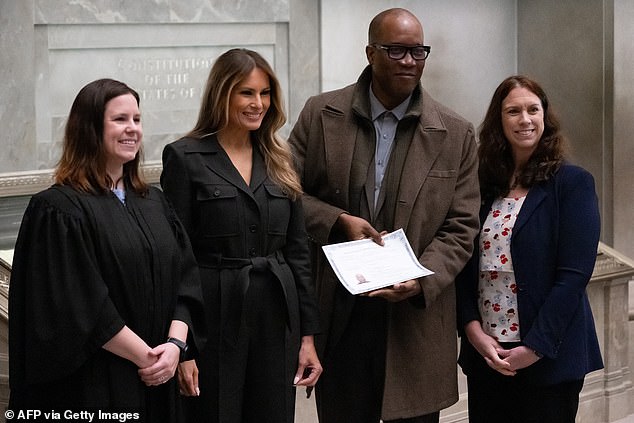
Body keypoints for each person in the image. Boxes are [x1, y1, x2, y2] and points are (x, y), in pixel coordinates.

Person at [288, 8, 480, 423]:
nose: (410, 61)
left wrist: (420, 276)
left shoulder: (456, 132)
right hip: (339, 313)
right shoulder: (321, 114)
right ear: (370, 52)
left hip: (413, 317)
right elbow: (284, 194)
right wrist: (337, 219)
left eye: (418, 52)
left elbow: (462, 226)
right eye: (397, 51)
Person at [8, 78, 206, 421]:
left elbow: (185, 281)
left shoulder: (154, 202)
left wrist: (175, 347)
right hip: (97, 387)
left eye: (137, 119)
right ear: (89, 128)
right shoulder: (58, 210)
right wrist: (147, 358)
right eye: (120, 119)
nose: (132, 129)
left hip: (160, 377)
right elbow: (79, 305)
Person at [161, 48, 322, 423]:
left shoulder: (282, 159)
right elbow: (176, 259)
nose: (259, 103)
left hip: (277, 317)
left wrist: (308, 338)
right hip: (213, 316)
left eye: (265, 93)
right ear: (222, 94)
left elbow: (298, 253)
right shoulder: (185, 158)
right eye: (246, 93)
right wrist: (182, 349)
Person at [456, 75, 603, 423]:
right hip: (488, 356)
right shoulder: (481, 184)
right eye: (513, 111)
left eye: (533, 109)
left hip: (548, 355)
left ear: (544, 116)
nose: (525, 119)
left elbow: (573, 277)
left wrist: (533, 348)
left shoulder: (573, 183)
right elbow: (463, 263)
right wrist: (473, 331)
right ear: (498, 120)